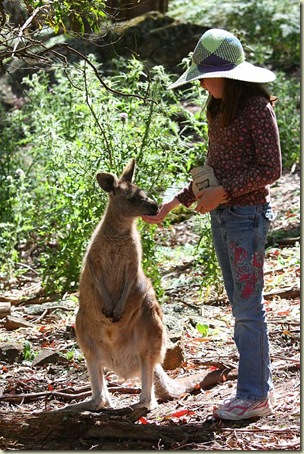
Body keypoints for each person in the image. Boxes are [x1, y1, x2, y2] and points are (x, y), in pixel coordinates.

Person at [142, 28, 282, 421]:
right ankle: (253, 390)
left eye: (206, 75)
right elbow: (213, 172)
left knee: (249, 310)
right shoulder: (217, 109)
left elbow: (270, 168)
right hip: (223, 219)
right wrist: (175, 200)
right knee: (240, 307)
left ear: (229, 76)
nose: (202, 83)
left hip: (247, 219)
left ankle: (254, 394)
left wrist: (226, 193)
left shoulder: (256, 108)